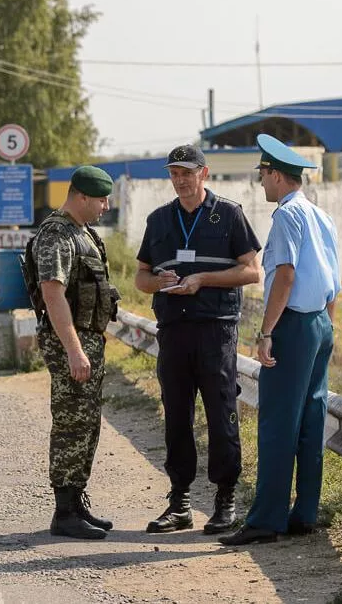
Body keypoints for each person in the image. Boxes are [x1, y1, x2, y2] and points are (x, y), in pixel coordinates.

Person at [134, 144, 262, 535]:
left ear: (204, 174)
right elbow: (140, 277)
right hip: (173, 330)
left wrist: (203, 279)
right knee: (176, 416)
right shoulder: (158, 220)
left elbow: (252, 271)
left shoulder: (229, 214)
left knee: (221, 413)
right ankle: (180, 502)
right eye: (174, 173)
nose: (180, 180)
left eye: (187, 173)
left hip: (215, 329)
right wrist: (159, 282)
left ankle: (225, 500)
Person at [220, 134, 341, 546]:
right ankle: (304, 513)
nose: (260, 183)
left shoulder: (287, 216)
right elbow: (332, 284)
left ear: (276, 175)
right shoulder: (320, 216)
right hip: (319, 324)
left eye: (263, 175)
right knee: (310, 420)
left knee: (276, 424)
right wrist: (326, 328)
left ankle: (266, 521)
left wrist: (267, 331)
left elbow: (285, 275)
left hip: (291, 326)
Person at [28, 165, 122, 540]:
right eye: (101, 199)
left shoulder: (83, 233)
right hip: (72, 342)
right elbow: (52, 292)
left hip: (87, 340)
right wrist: (74, 350)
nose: (105, 206)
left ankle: (76, 501)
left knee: (87, 424)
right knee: (71, 424)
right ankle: (63, 512)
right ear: (81, 196)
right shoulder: (56, 234)